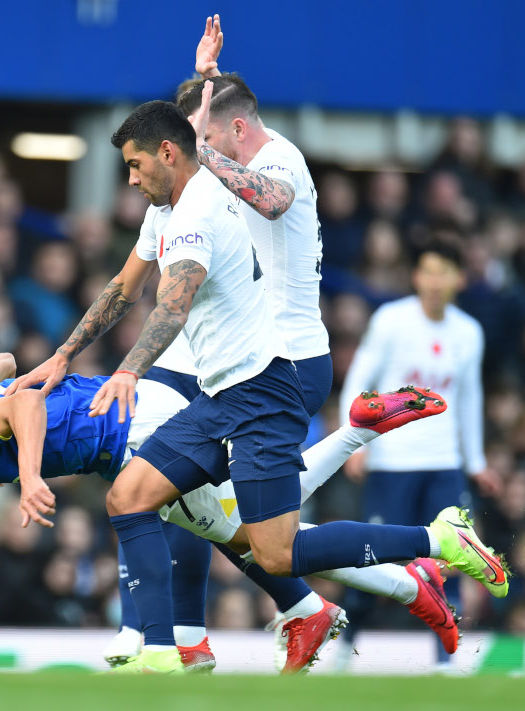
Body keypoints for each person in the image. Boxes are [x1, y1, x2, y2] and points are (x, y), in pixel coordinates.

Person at [8, 98, 506, 673]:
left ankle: (437, 539)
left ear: (168, 153)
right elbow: (124, 287)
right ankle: (163, 652)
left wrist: (127, 371)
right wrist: (63, 355)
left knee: (275, 552)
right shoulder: (166, 206)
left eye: (136, 164)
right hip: (217, 396)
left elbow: (172, 307)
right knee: (129, 497)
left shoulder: (198, 211)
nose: (130, 177)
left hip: (261, 394)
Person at [0, 352, 458, 671]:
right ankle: (387, 577)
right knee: (251, 531)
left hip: (134, 430)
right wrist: (7, 434)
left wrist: (29, 473)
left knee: (252, 533)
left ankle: (164, 649)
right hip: (134, 415)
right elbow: (6, 363)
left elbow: (24, 405)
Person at [107, 16, 350, 672]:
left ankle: (416, 561)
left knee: (250, 531)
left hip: (287, 362)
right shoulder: (210, 171)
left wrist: (205, 149)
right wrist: (205, 79)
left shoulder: (277, 159)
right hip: (247, 366)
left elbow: (268, 200)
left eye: (208, 138)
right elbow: (176, 147)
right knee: (208, 514)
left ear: (234, 130)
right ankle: (253, 622)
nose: (196, 152)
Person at [338, 239, 499, 669]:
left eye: (443, 272)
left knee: (450, 559)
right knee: (371, 558)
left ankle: (447, 661)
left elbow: (468, 399)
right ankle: (342, 648)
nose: (434, 281)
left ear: (459, 280)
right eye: (427, 271)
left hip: (444, 465)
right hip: (392, 463)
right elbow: (360, 379)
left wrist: (476, 461)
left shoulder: (469, 332)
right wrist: (353, 444)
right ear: (415, 277)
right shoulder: (391, 320)